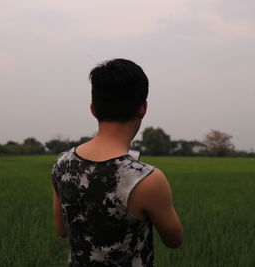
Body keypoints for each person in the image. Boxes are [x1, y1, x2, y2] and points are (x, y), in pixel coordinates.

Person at [51, 58, 183, 267]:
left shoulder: (63, 163)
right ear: (143, 108)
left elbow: (61, 229)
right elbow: (174, 240)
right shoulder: (146, 179)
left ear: (93, 108)